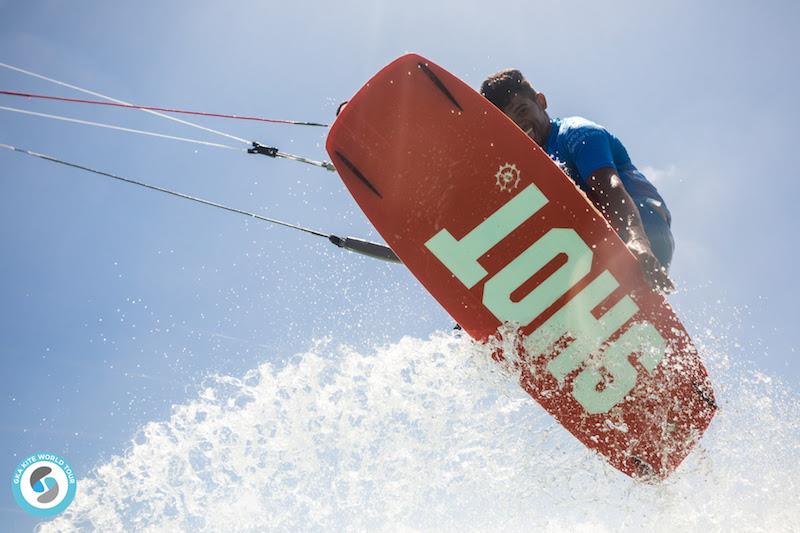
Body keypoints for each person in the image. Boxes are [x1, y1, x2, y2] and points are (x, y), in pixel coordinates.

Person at [480, 69, 674, 292]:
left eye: (522, 111)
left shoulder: (577, 134)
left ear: (541, 101)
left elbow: (611, 187)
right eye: (510, 124)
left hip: (643, 225)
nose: (521, 126)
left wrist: (638, 240)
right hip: (593, 244)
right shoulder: (527, 166)